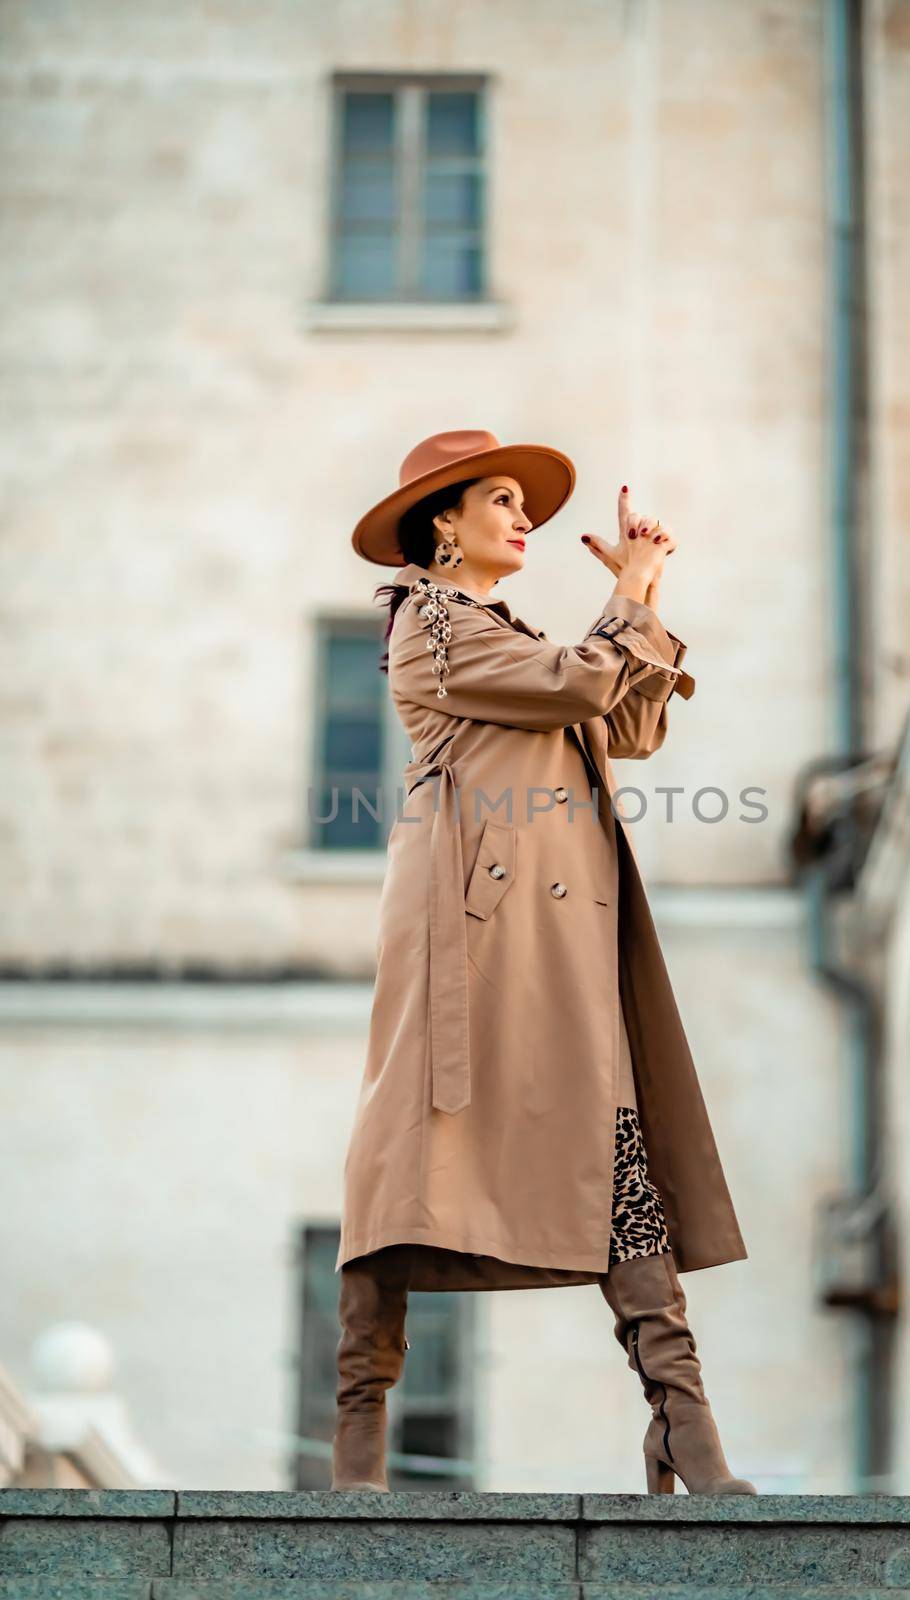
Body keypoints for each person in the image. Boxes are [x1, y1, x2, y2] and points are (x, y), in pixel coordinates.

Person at [333, 429, 755, 1497]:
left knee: (618, 1148)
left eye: (524, 505)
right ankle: (357, 1450)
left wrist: (636, 600)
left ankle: (686, 1434)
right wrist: (637, 588)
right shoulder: (425, 622)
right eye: (503, 501)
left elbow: (631, 719)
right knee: (407, 1166)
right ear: (444, 520)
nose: (522, 520)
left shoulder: (500, 629)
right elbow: (578, 685)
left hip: (556, 940)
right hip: (468, 938)